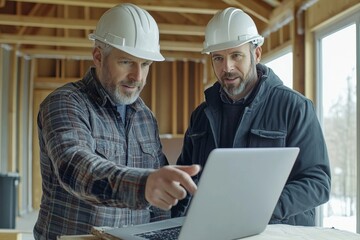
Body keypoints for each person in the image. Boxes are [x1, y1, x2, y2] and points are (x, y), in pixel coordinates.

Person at [33, 3, 200, 239]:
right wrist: (143, 186)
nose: (138, 77)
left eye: (145, 64)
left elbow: (158, 202)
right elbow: (75, 167)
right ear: (98, 56)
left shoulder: (144, 116)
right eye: (126, 62)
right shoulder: (65, 102)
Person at [171, 7, 331, 226]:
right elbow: (185, 182)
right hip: (216, 231)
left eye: (236, 55)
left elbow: (317, 183)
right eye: (218, 58)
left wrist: (259, 210)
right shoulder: (201, 116)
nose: (227, 67)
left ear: (256, 54)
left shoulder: (295, 108)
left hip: (278, 234)